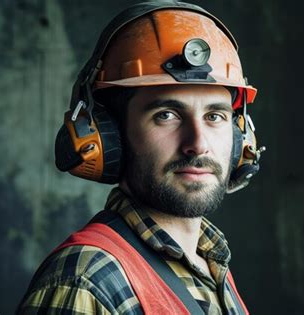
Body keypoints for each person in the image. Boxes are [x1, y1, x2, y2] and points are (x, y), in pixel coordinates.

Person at [17, 1, 264, 314]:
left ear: (242, 136)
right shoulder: (85, 282)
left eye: (215, 116)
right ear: (111, 134)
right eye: (167, 115)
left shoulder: (210, 266)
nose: (198, 144)